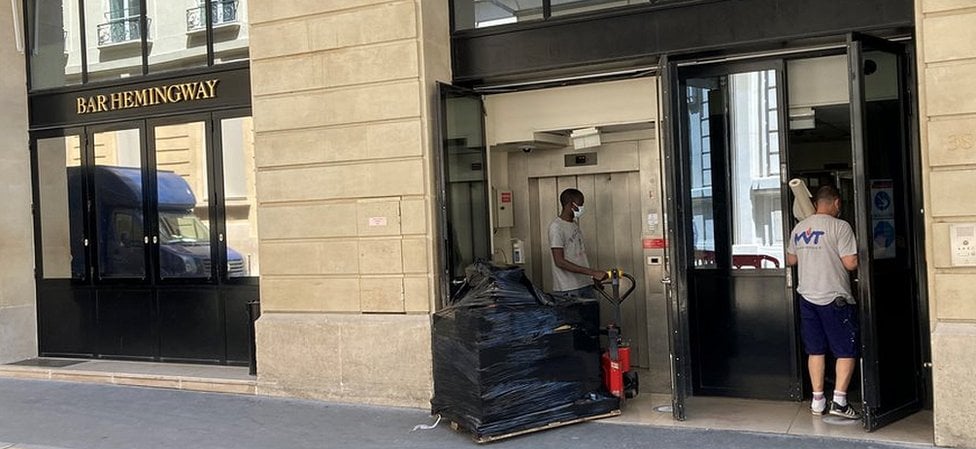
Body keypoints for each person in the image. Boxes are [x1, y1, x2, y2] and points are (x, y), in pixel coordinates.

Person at [786, 185, 861, 419]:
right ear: (837, 203)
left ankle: (818, 401)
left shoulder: (800, 227)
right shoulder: (841, 226)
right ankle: (839, 401)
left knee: (815, 350)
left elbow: (790, 259)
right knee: (845, 350)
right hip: (834, 298)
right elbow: (850, 263)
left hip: (807, 297)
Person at [549, 188, 606, 299]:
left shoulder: (574, 224)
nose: (582, 208)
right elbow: (559, 261)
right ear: (571, 204)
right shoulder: (556, 227)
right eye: (580, 204)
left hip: (584, 284)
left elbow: (578, 256)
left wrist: (591, 278)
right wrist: (593, 272)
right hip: (569, 288)